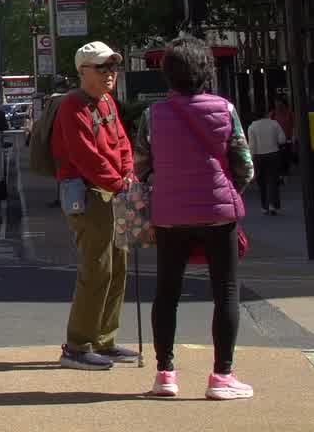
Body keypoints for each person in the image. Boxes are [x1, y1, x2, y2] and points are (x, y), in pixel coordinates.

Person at [135, 37, 255, 401]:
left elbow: (141, 167)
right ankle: (222, 376)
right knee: (226, 291)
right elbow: (244, 165)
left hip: (170, 213)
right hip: (218, 213)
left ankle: (165, 373)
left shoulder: (152, 115)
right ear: (207, 70)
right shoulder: (225, 108)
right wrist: (230, 191)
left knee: (167, 292)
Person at [50, 40, 136, 371]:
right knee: (96, 268)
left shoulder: (107, 103)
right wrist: (119, 183)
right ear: (83, 71)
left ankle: (104, 339)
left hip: (114, 192)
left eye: (112, 67)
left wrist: (127, 176)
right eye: (102, 67)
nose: (109, 73)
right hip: (89, 195)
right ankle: (77, 345)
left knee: (118, 264)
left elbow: (122, 143)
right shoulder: (73, 106)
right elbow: (86, 156)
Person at [245, 108, 288, 215]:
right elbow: (282, 139)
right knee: (273, 180)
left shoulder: (252, 127)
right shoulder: (274, 124)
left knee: (262, 182)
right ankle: (273, 205)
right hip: (273, 154)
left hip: (259, 156)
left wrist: (251, 159)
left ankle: (264, 206)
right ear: (265, 114)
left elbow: (252, 146)